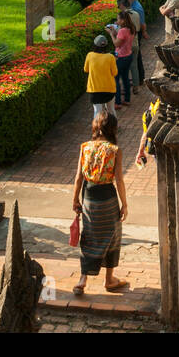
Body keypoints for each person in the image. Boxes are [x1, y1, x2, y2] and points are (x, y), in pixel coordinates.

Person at [71, 111, 129, 295]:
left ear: (96, 127)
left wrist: (75, 200)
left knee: (88, 237)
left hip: (88, 198)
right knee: (112, 236)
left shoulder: (85, 147)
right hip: (108, 199)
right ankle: (109, 279)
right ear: (113, 128)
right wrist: (124, 204)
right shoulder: (115, 150)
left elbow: (78, 178)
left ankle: (82, 279)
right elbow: (119, 180)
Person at [84, 34, 118, 118]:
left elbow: (86, 69)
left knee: (97, 111)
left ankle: (97, 130)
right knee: (111, 110)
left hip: (94, 89)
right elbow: (115, 73)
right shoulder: (110, 57)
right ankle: (114, 127)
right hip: (109, 89)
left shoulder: (90, 55)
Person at [106, 10, 135, 106]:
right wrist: (115, 33)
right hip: (128, 55)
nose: (116, 21)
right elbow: (122, 40)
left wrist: (111, 34)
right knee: (126, 78)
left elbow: (116, 44)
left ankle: (117, 102)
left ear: (122, 20)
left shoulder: (122, 31)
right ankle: (127, 99)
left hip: (120, 58)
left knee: (116, 79)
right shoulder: (131, 28)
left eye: (118, 19)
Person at [122, 0, 148, 86]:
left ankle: (140, 78)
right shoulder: (133, 5)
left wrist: (144, 32)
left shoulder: (137, 8)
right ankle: (139, 78)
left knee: (136, 56)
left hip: (136, 33)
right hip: (134, 32)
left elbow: (142, 24)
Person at [134, 97, 162, 170]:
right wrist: (140, 151)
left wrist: (140, 151)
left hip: (157, 147)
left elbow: (146, 132)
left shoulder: (153, 107)